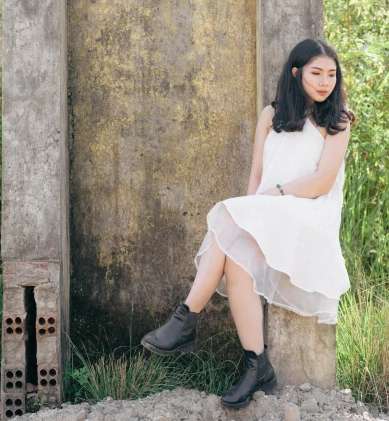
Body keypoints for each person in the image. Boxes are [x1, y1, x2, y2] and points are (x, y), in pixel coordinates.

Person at [140, 38, 355, 410]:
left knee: (227, 213)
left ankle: (186, 319)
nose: (325, 82)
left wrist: (272, 197)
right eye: (316, 73)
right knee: (236, 255)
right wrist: (251, 211)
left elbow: (322, 181)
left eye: (331, 75)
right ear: (296, 73)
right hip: (271, 208)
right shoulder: (271, 115)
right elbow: (256, 174)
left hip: (310, 213)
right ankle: (257, 366)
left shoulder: (337, 120)